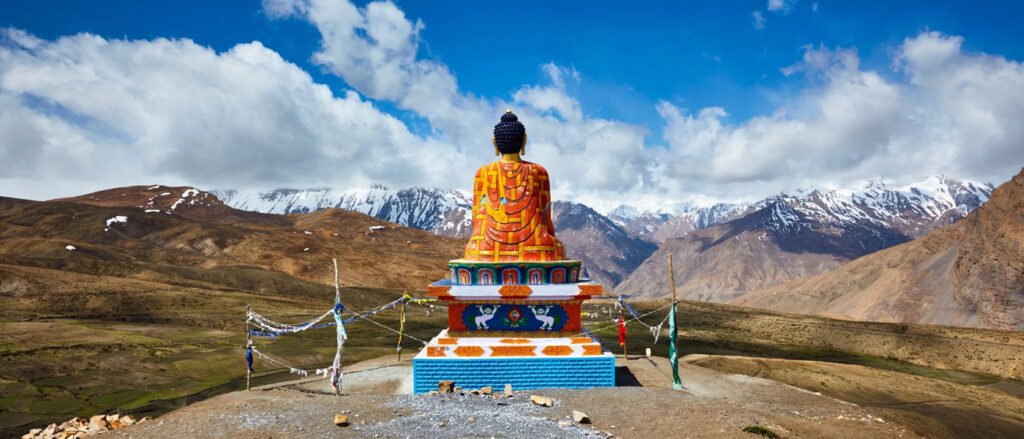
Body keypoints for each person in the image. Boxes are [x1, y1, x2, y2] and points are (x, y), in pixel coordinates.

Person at [464, 110, 565, 262]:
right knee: (555, 248)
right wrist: (550, 238)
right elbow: (546, 218)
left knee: (475, 248)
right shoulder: (539, 172)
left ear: (494, 142)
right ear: (524, 141)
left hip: (486, 247)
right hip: (537, 246)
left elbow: (476, 219)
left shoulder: (483, 173)